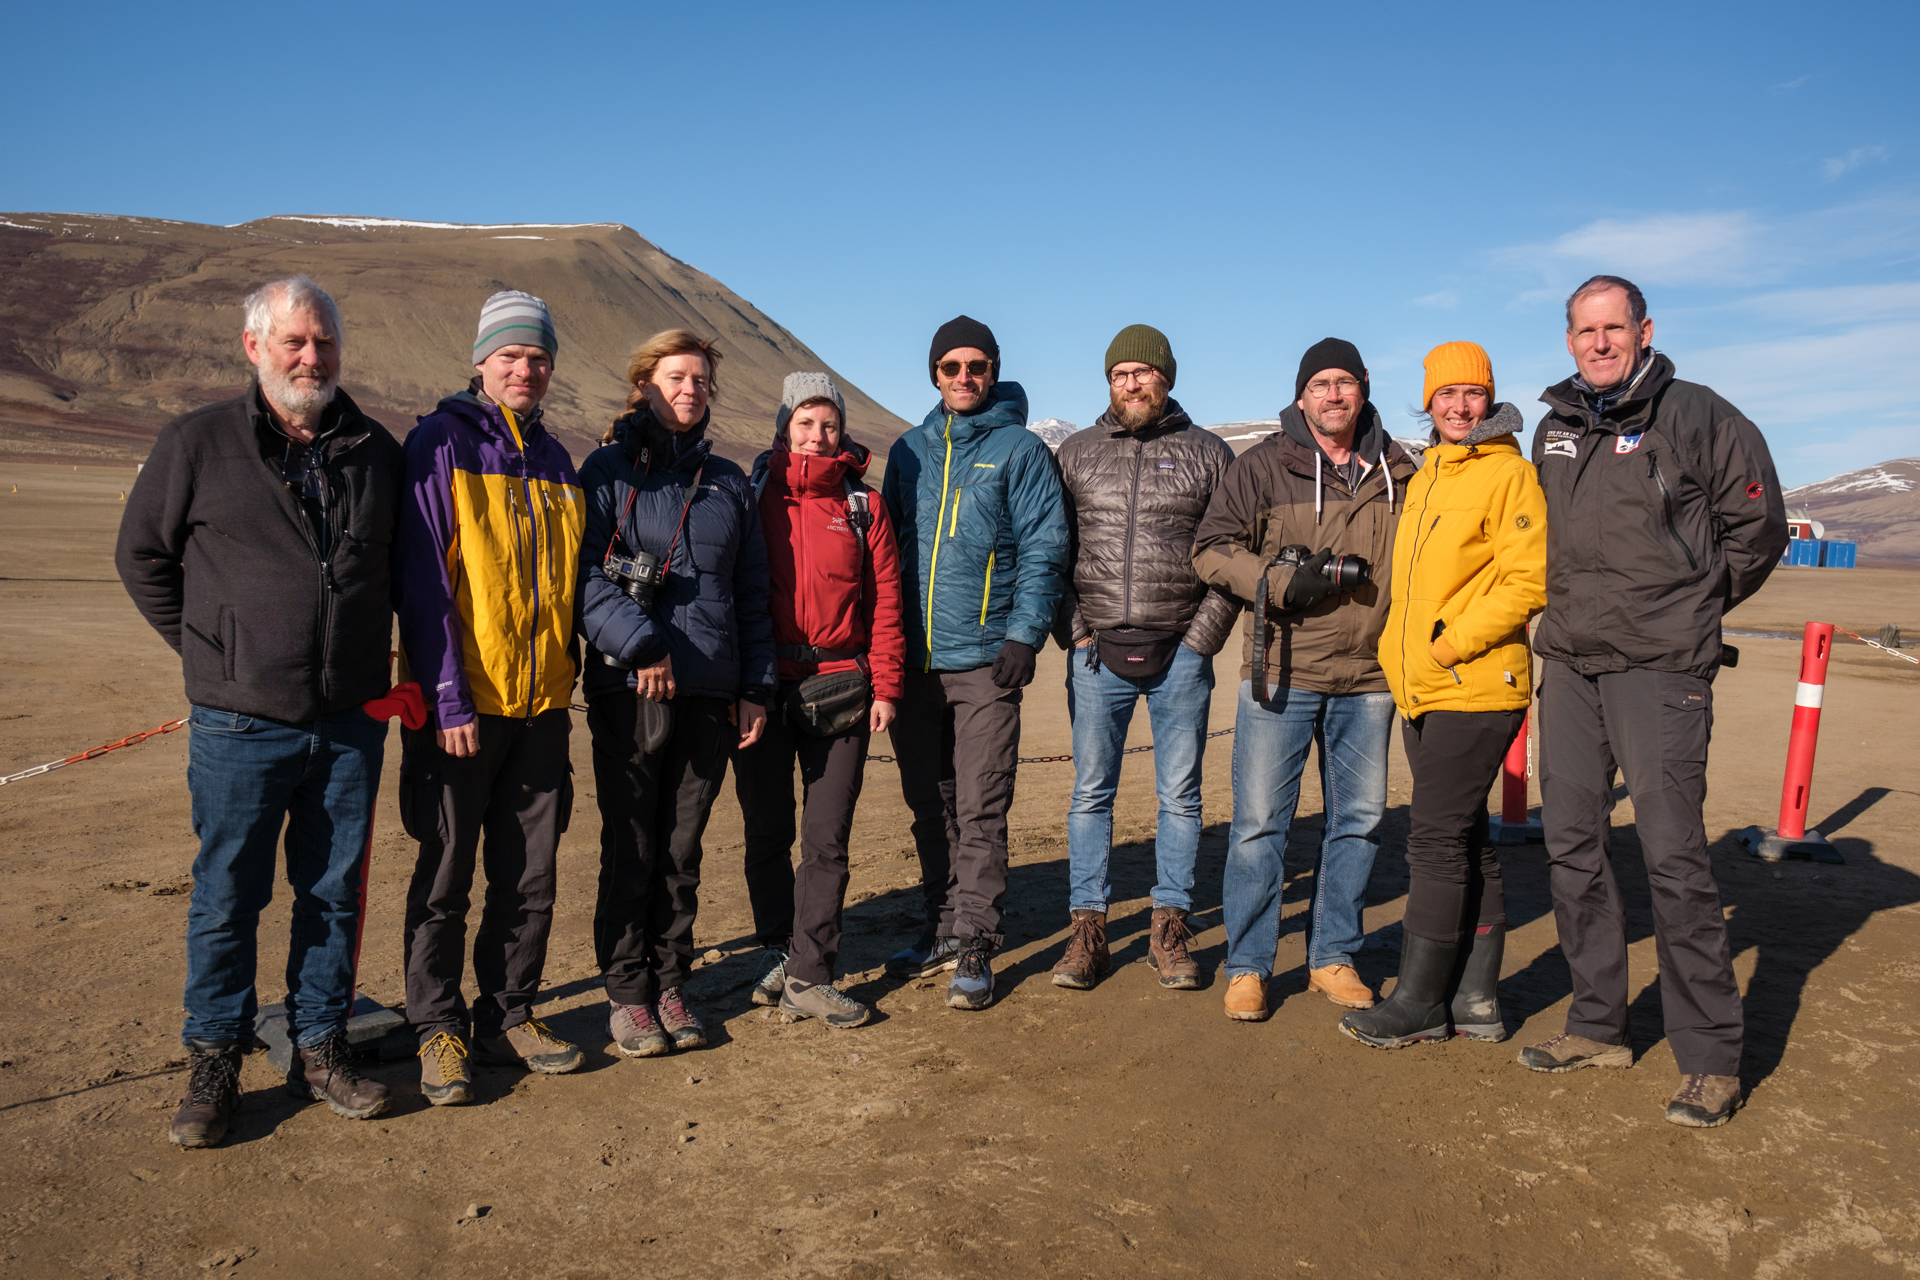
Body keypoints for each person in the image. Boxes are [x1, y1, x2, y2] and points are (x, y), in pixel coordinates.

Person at [117, 276, 401, 1146]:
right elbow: (143, 559)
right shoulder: (197, 442)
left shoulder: (375, 451)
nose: (312, 358)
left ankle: (320, 1045)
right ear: (255, 348)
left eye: (324, 344)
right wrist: (215, 655)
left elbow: (394, 576)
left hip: (350, 720)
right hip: (240, 722)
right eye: (294, 343)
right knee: (227, 893)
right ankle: (214, 1060)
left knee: (332, 893)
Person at [1521, 276, 1787, 1128]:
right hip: (1568, 663)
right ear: (1568, 340)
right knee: (1572, 843)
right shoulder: (1553, 427)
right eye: (1585, 330)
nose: (1600, 343)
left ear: (1643, 330)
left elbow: (1760, 527)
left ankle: (1709, 1055)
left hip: (1660, 667)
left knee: (1673, 856)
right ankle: (1598, 1024)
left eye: (1614, 327)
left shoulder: (1699, 414)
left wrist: (1693, 609)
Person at [395, 290, 587, 1105]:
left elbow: (572, 587)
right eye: (510, 355)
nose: (525, 369)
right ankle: (437, 1027)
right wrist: (446, 698)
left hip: (541, 706)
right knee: (444, 872)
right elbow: (423, 582)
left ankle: (509, 1010)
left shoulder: (556, 459)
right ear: (480, 360)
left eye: (537, 357)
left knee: (530, 877)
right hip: (461, 710)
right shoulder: (438, 444)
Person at [1193, 338, 1418, 1022]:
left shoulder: (1400, 471)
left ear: (1364, 387)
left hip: (1372, 676)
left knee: (1359, 822)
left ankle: (1332, 957)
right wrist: (1279, 582)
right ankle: (1250, 967)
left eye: (1344, 382)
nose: (1333, 395)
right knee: (1260, 825)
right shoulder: (1262, 466)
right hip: (1280, 672)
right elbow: (1210, 549)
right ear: (1301, 396)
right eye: (1320, 384)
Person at [1339, 342, 1547, 1048]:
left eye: (1472, 394)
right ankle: (1478, 998)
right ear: (1426, 402)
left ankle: (1420, 1001)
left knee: (1430, 841)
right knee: (1466, 839)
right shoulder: (1427, 475)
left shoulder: (1509, 474)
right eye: (1446, 395)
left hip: (1476, 683)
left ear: (1490, 399)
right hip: (1423, 688)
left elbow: (1527, 581)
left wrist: (1447, 644)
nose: (1459, 407)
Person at [578, 329, 775, 1057]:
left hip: (708, 693)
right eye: (675, 377)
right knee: (631, 844)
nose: (689, 389)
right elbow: (586, 577)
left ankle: (670, 982)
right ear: (644, 385)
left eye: (699, 380)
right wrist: (642, 644)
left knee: (682, 849)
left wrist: (754, 685)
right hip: (628, 690)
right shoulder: (604, 472)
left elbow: (750, 593)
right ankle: (628, 996)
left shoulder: (728, 483)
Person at [880, 316, 1070, 1010]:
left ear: (992, 372)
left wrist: (1024, 635)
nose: (964, 378)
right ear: (934, 374)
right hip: (915, 662)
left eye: (977, 366)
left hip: (987, 660)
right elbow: (886, 549)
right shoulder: (909, 451)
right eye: (951, 367)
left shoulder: (1020, 451)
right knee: (931, 803)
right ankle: (941, 922)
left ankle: (976, 941)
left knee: (983, 805)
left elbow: (1045, 546)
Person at [1049, 324, 1238, 991]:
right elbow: (1052, 552)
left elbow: (1231, 551)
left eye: (1143, 372)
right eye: (1119, 374)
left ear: (1167, 377)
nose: (1131, 383)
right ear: (1108, 382)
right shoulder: (1074, 454)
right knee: (1091, 793)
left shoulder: (1210, 455)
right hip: (1096, 653)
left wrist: (1201, 639)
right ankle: (1087, 933)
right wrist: (1073, 631)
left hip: (1180, 653)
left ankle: (1169, 930)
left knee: (1180, 796)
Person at [733, 373, 906, 1028]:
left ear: (842, 431)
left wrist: (886, 685)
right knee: (766, 830)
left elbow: (886, 600)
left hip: (843, 687)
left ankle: (810, 971)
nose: (818, 434)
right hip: (761, 688)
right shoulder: (751, 497)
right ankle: (779, 950)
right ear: (785, 427)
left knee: (826, 838)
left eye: (828, 423)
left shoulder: (864, 506)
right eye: (806, 422)